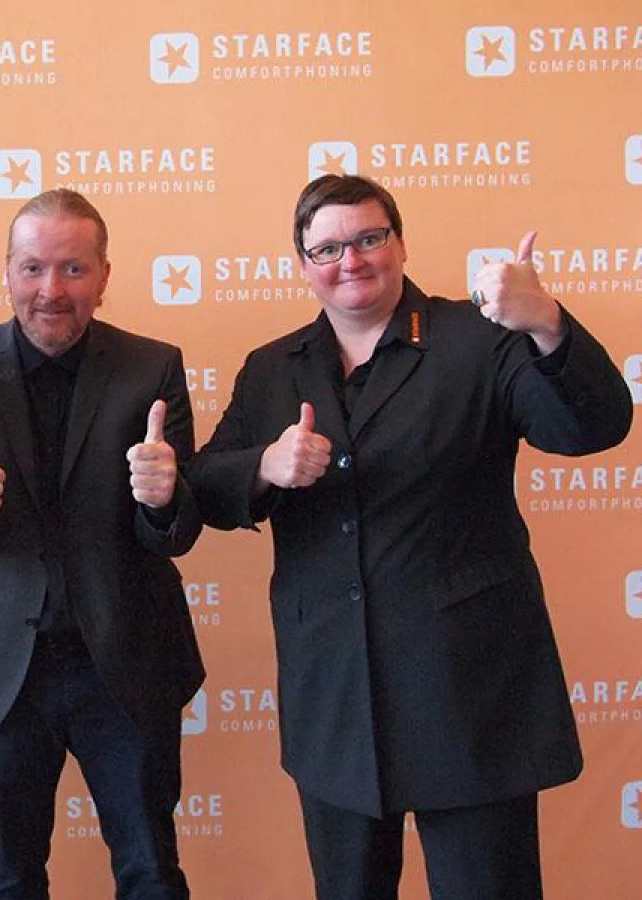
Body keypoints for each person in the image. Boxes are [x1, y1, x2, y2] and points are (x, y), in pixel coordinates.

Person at [187, 174, 632, 899]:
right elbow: (206, 486)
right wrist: (263, 466)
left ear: (399, 243)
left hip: (468, 695)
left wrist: (547, 321)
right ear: (303, 265)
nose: (351, 260)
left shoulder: (482, 336)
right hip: (334, 698)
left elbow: (592, 426)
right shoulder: (272, 367)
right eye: (326, 247)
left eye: (368, 238)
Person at [0, 188, 204, 899]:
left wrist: (165, 500)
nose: (51, 290)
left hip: (126, 665)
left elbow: (181, 531)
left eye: (73, 270)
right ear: (7, 272)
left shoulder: (153, 367)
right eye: (33, 268)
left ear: (104, 277)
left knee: (152, 874)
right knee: (8, 878)